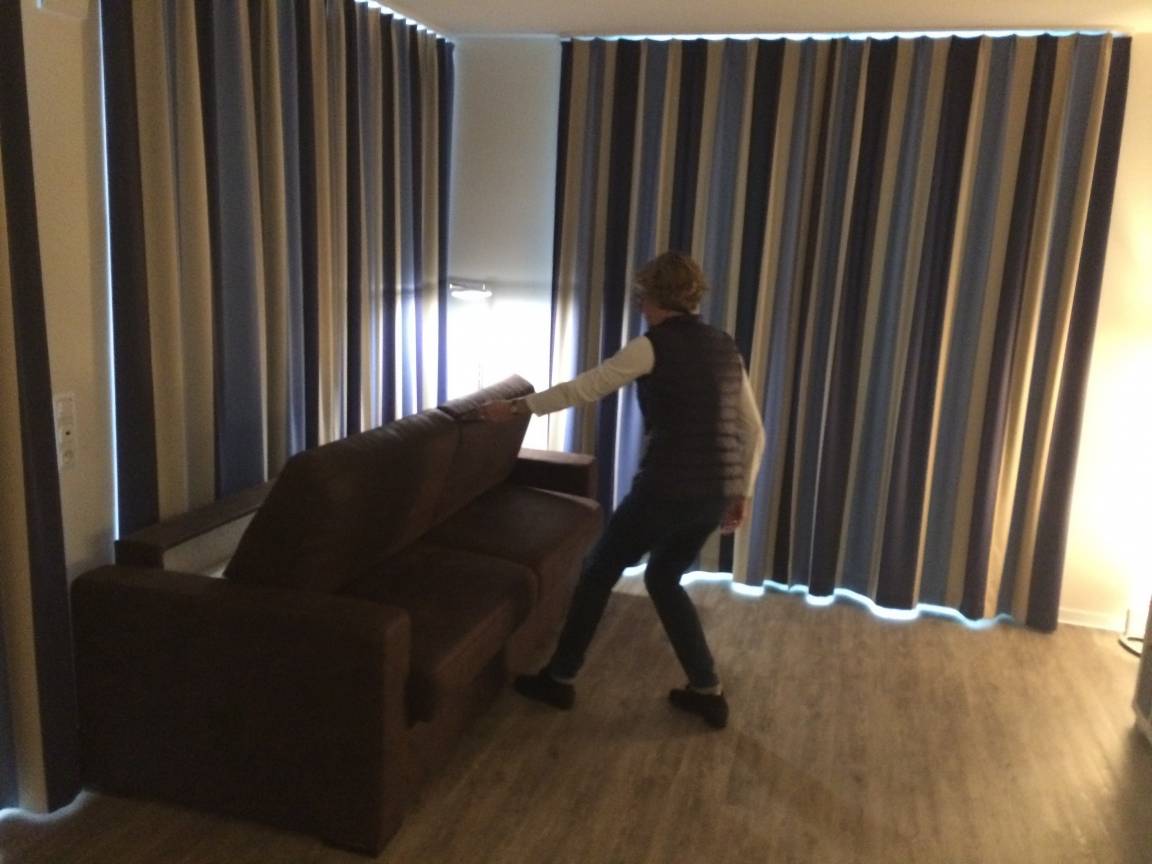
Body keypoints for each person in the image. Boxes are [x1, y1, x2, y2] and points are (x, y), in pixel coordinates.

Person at [478, 251, 765, 729]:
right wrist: (743, 492)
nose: (640, 306)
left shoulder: (651, 346)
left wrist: (515, 408)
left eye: (642, 297)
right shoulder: (724, 347)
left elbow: (584, 388)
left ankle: (560, 678)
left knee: (597, 573)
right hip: (712, 492)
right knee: (664, 578)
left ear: (653, 297)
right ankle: (707, 691)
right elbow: (752, 430)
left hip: (667, 488)